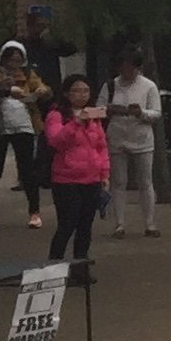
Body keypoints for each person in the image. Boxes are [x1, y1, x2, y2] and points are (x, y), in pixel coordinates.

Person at [0, 40, 48, 230]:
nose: (14, 65)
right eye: (11, 60)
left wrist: (41, 91)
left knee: (28, 170)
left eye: (18, 60)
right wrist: (0, 88)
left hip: (23, 124)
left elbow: (43, 89)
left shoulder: (27, 74)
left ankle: (34, 212)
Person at [43, 75, 109, 262]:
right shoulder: (57, 115)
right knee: (67, 223)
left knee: (85, 225)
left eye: (86, 91)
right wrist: (76, 123)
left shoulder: (94, 116)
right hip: (66, 179)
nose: (81, 95)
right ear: (67, 93)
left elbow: (101, 146)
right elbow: (56, 141)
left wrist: (104, 172)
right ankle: (55, 264)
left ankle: (81, 267)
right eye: (76, 91)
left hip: (91, 178)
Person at [99, 48, 162, 239]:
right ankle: (119, 224)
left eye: (130, 68)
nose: (127, 72)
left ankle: (150, 223)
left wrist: (141, 113)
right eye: (123, 68)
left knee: (145, 181)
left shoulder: (148, 86)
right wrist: (110, 110)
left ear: (138, 68)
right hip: (117, 136)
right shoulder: (110, 86)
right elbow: (100, 108)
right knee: (119, 182)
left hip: (141, 137)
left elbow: (156, 112)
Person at [15, 5, 76, 92]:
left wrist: (52, 38)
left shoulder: (51, 44)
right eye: (38, 25)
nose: (39, 29)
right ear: (29, 25)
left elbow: (71, 49)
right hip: (27, 90)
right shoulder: (19, 44)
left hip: (51, 89)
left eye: (44, 25)